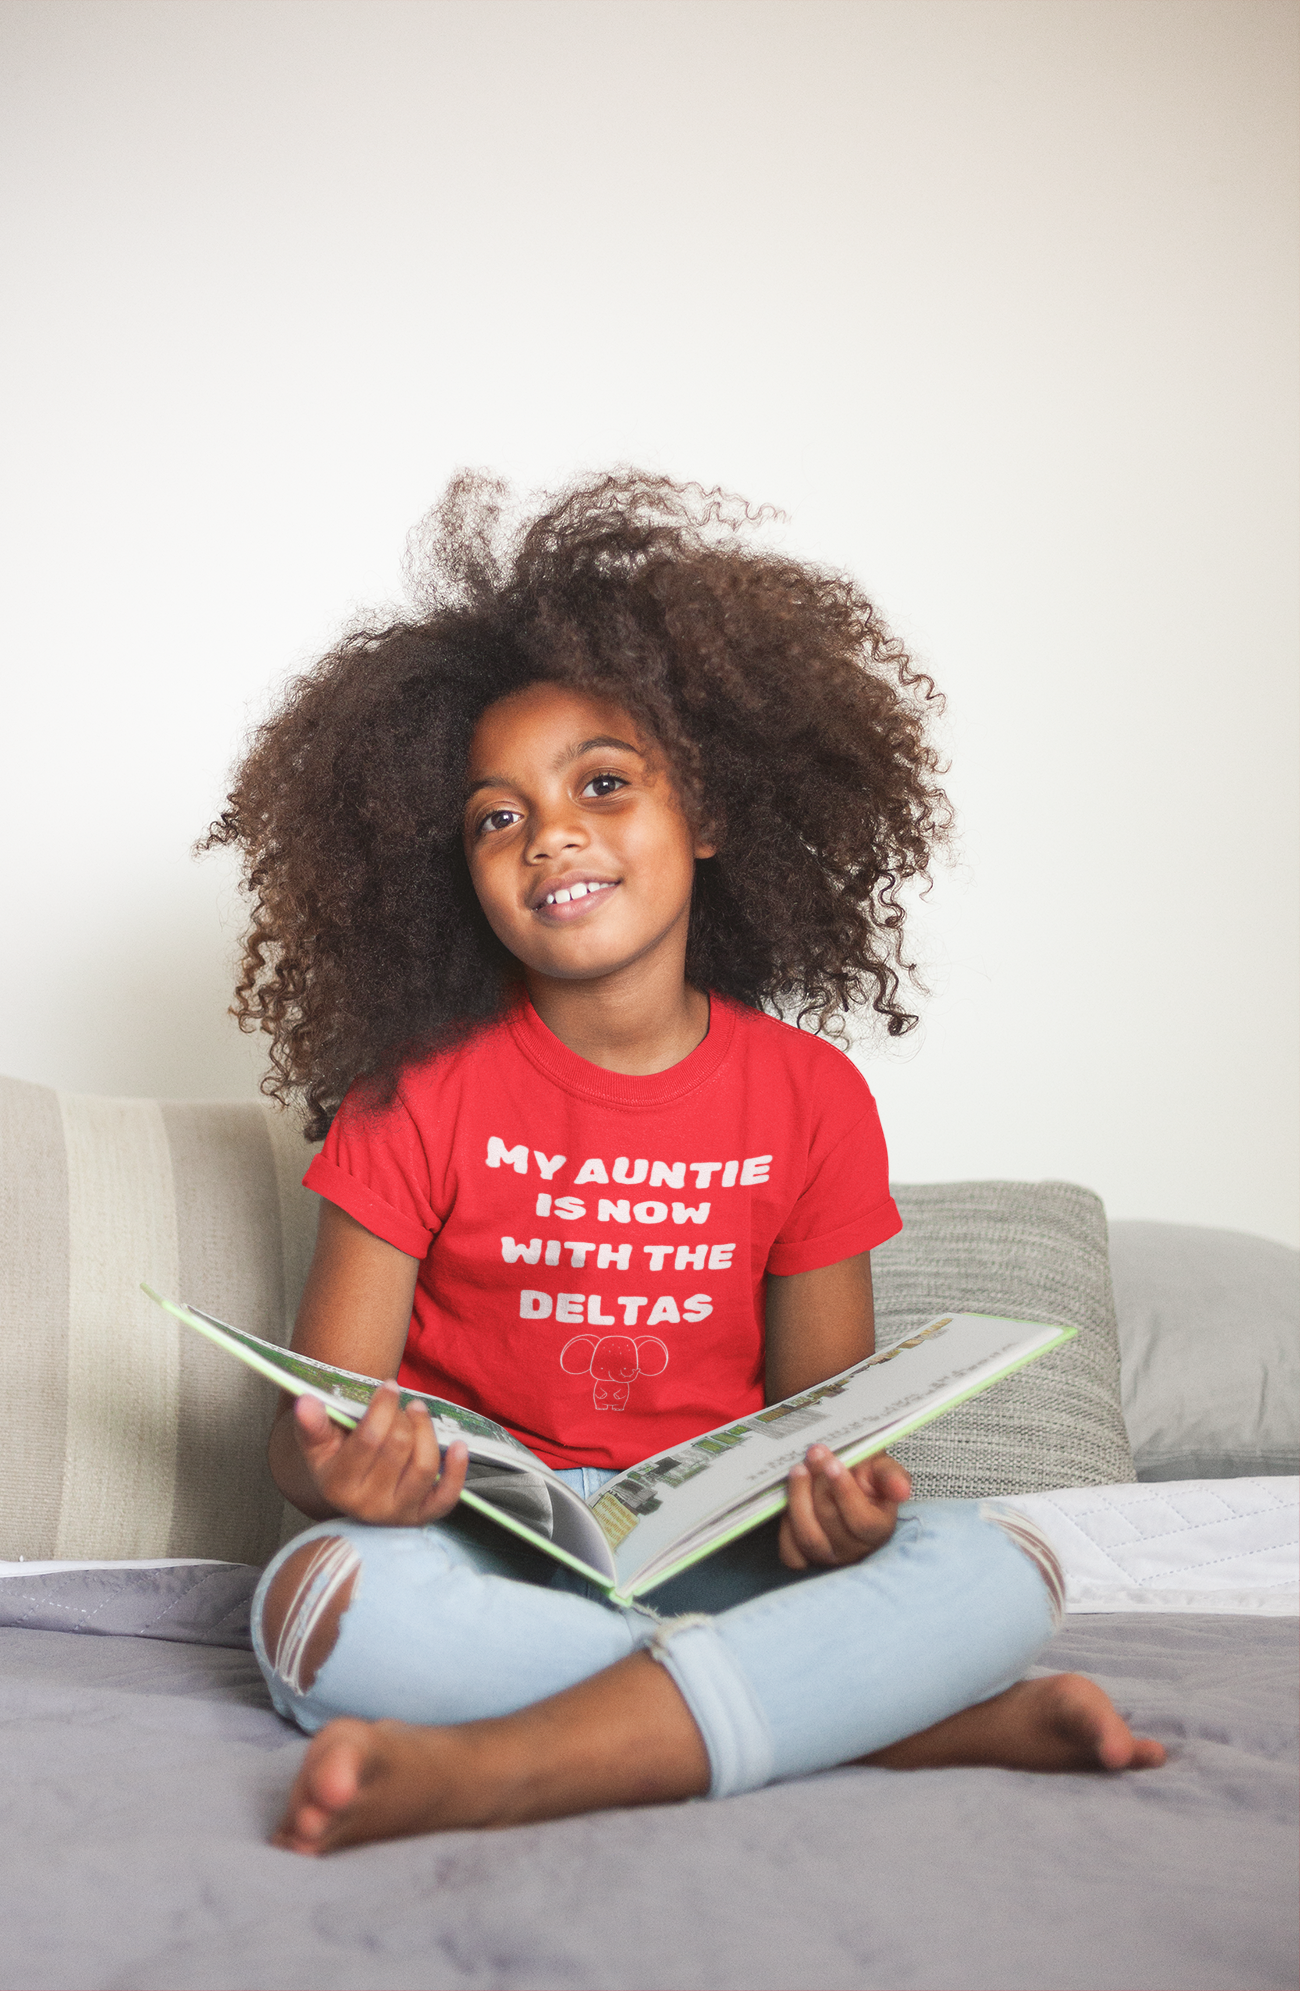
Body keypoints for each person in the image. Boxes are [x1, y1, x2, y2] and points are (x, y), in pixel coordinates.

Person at [205, 473, 1164, 1856]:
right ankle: (899, 1722)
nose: (552, 835)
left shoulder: (811, 1096)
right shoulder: (411, 1095)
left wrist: (840, 1518)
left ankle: (503, 1764)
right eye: (496, 815)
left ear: (706, 816)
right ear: (456, 871)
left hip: (725, 1561)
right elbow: (313, 1441)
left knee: (1001, 1563)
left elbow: (824, 1432)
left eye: (603, 783)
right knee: (323, 1602)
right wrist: (345, 1483)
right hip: (481, 1554)